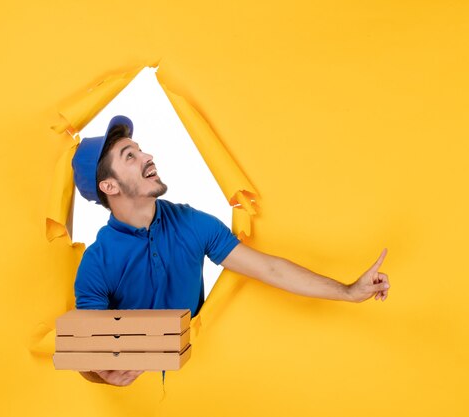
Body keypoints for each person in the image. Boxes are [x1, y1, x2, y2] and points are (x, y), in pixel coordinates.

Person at [71, 115, 391, 387]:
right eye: (130, 156)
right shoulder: (97, 263)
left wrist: (348, 291)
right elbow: (87, 349)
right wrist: (103, 373)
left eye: (140, 150)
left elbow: (270, 269)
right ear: (109, 186)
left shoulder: (193, 224)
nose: (148, 156)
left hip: (211, 380)